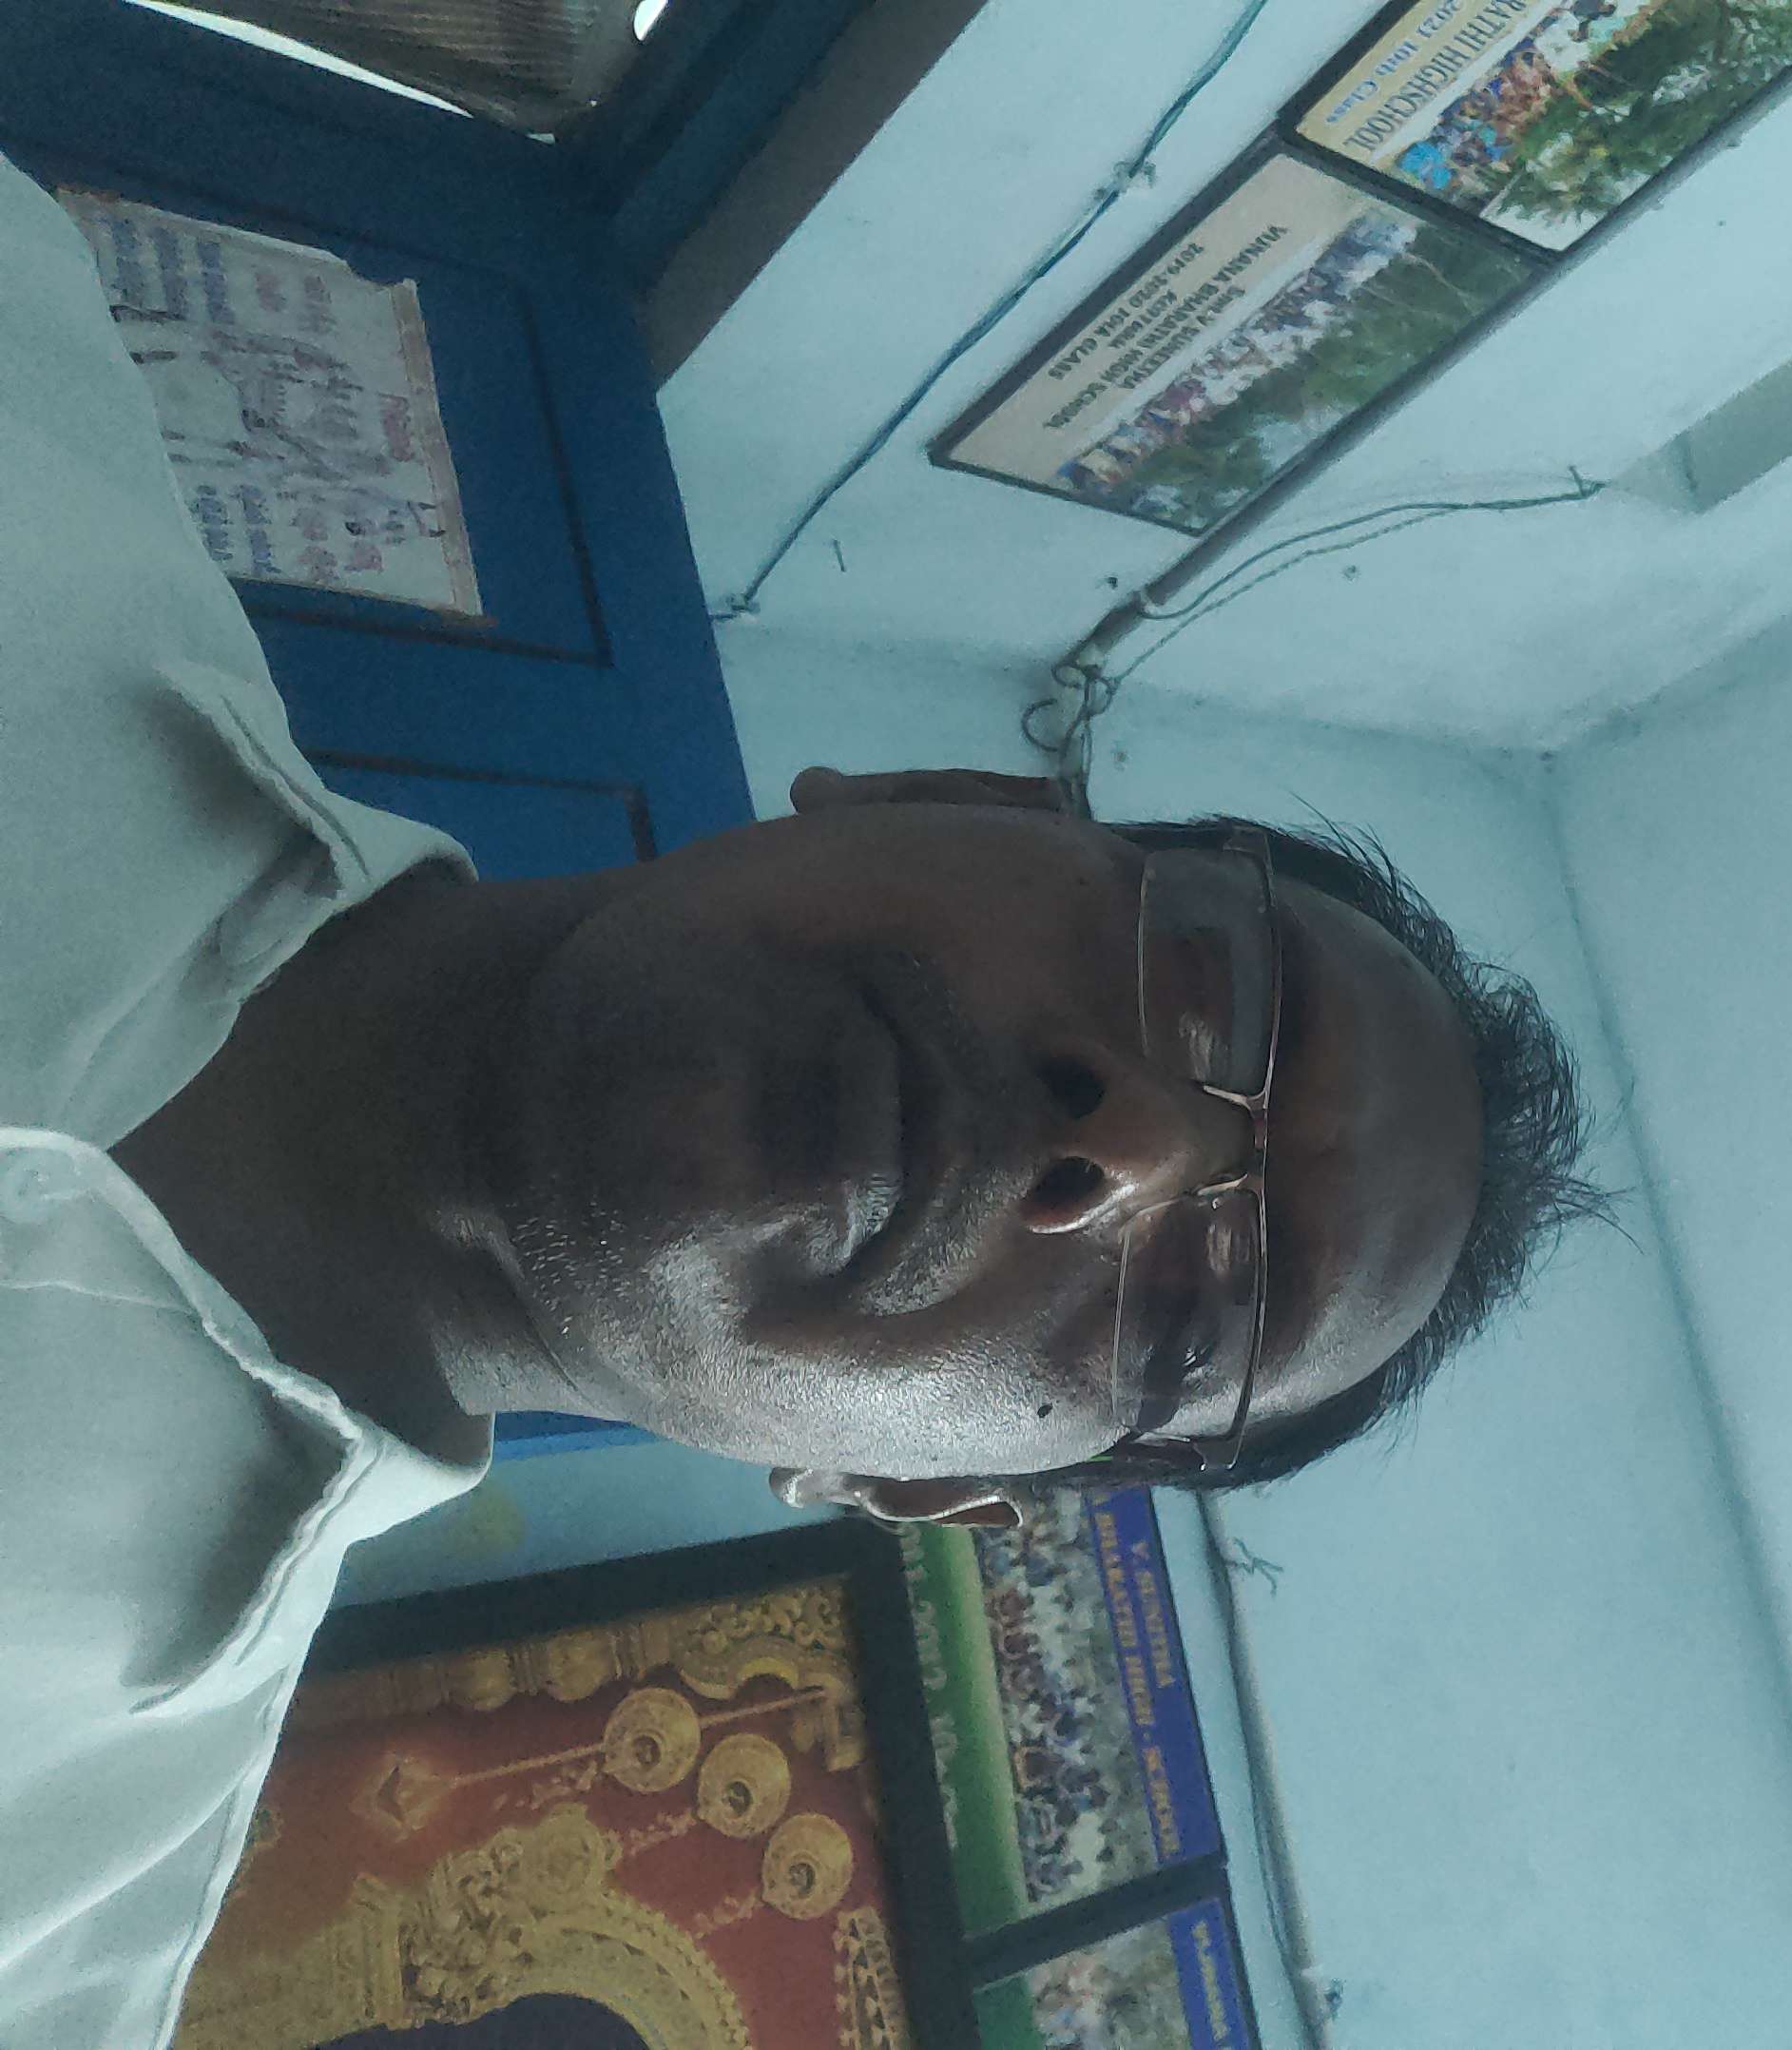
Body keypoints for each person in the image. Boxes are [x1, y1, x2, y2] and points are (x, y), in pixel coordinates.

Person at [0, 148, 1596, 2044]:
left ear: (916, 1483)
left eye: (1190, 1318)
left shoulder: (50, 1898)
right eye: (1208, 976)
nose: (1123, 1145)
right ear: (949, 797)